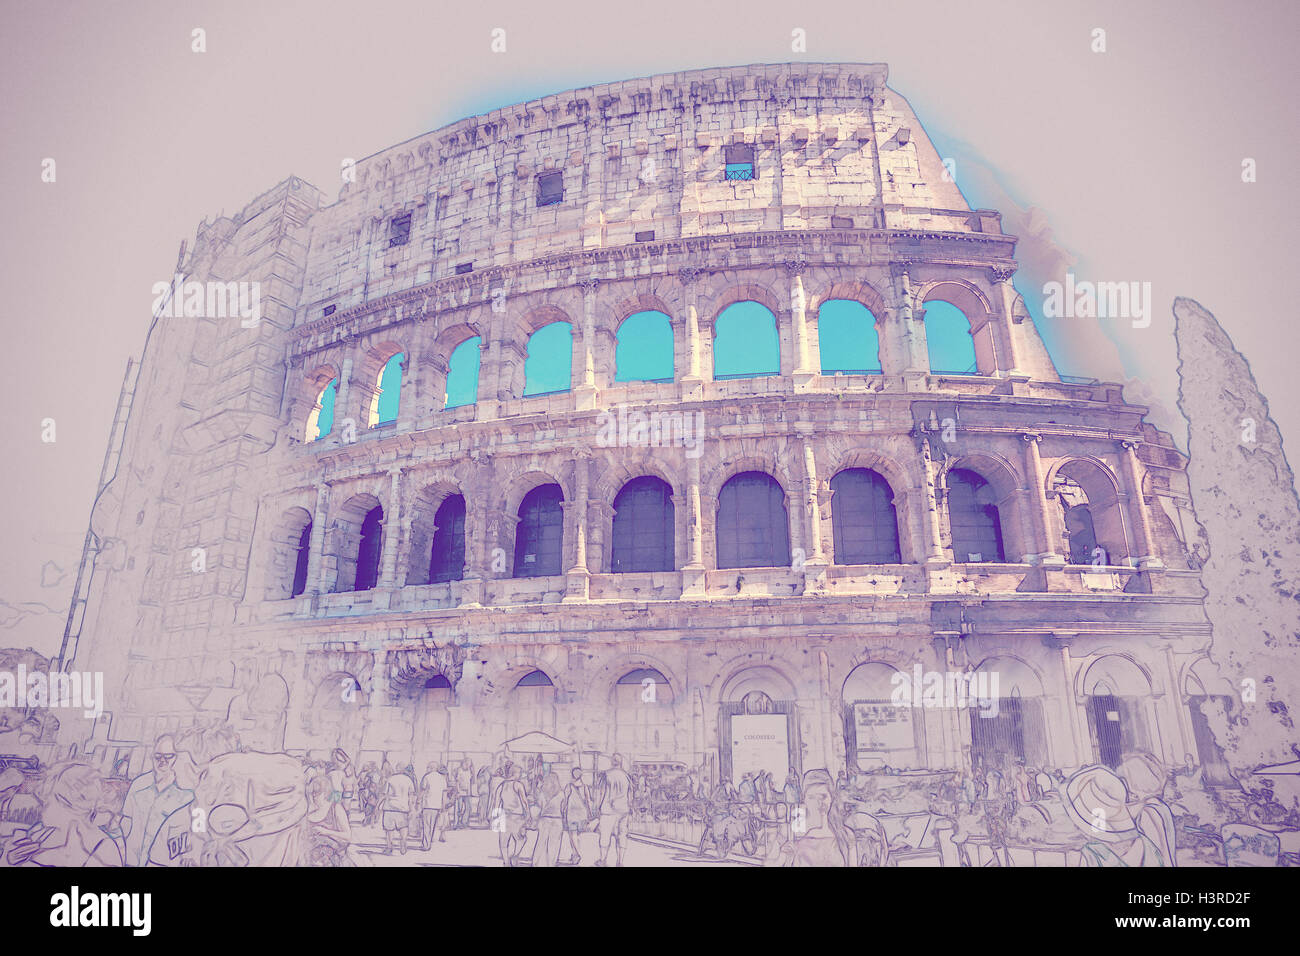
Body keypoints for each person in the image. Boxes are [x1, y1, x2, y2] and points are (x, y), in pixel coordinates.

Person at [117, 735, 196, 867]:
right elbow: (126, 822)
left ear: (178, 757)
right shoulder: (138, 784)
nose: (162, 761)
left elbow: (196, 835)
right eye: (158, 756)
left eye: (169, 756)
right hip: (130, 861)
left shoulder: (188, 793)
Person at [595, 754, 633, 868]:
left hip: (608, 810)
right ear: (621, 762)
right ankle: (620, 861)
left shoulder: (606, 775)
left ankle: (602, 860)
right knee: (622, 835)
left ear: (612, 762)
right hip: (623, 810)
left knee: (605, 835)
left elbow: (601, 793)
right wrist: (629, 807)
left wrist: (597, 807)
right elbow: (630, 794)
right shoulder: (626, 776)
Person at [493, 764, 530, 866]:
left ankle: (506, 862)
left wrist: (495, 819)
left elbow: (496, 804)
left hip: (504, 816)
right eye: (520, 773)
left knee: (503, 843)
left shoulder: (501, 786)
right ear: (515, 773)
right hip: (517, 816)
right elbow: (525, 802)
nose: (521, 775)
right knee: (521, 839)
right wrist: (528, 814)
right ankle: (515, 855)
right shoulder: (518, 785)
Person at [381, 765, 416, 855]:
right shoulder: (408, 780)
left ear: (396, 769)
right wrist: (411, 809)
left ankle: (390, 847)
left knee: (389, 829)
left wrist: (378, 806)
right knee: (403, 827)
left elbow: (384, 794)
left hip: (390, 807)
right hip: (403, 807)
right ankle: (403, 841)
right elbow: (411, 796)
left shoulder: (390, 779)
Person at [533, 771, 565, 867]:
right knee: (553, 845)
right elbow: (563, 808)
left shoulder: (542, 793)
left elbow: (540, 805)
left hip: (544, 819)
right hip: (557, 820)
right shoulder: (562, 794)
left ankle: (535, 863)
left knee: (540, 843)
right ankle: (551, 864)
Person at [562, 766, 592, 865]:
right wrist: (590, 813)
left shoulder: (569, 786)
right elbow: (588, 801)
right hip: (582, 814)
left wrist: (562, 811)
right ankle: (574, 855)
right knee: (577, 835)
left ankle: (577, 854)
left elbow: (565, 801)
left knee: (572, 834)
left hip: (572, 813)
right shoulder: (585, 787)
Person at [420, 762, 448, 850]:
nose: (427, 769)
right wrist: (443, 805)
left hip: (427, 805)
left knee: (427, 826)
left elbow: (422, 790)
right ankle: (429, 843)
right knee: (432, 826)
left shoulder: (427, 777)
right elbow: (444, 793)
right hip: (437, 806)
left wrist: (418, 801)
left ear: (432, 768)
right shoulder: (442, 779)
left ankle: (426, 845)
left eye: (428, 767)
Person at [454, 758, 474, 829]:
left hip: (467, 792)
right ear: (464, 763)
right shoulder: (459, 770)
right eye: (467, 764)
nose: (469, 765)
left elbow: (469, 782)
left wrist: (470, 792)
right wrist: (458, 791)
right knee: (458, 809)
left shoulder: (469, 771)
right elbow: (457, 782)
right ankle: (456, 824)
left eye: (470, 764)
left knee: (468, 808)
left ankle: (464, 823)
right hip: (460, 792)